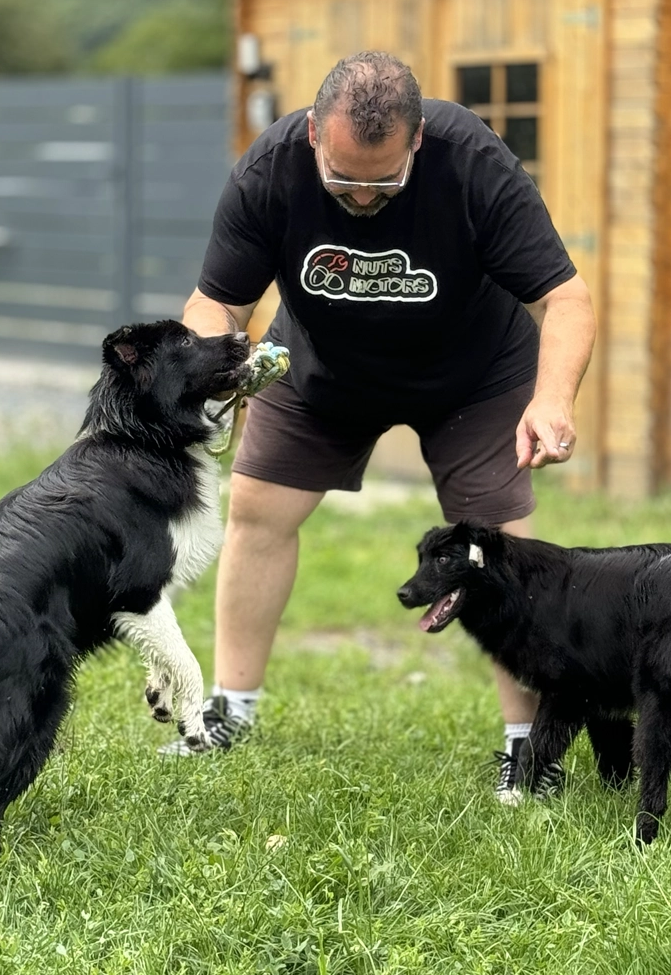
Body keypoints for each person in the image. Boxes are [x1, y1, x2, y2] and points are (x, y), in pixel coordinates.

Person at [160, 51, 596, 804]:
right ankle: (230, 709)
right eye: (344, 178)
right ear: (312, 138)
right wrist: (206, 366)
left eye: (383, 182)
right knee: (258, 509)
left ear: (418, 141)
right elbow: (217, 302)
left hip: (475, 374)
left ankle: (529, 749)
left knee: (500, 546)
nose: (362, 196)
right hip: (321, 365)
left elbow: (567, 298)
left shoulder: (472, 164)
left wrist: (551, 400)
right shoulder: (269, 170)